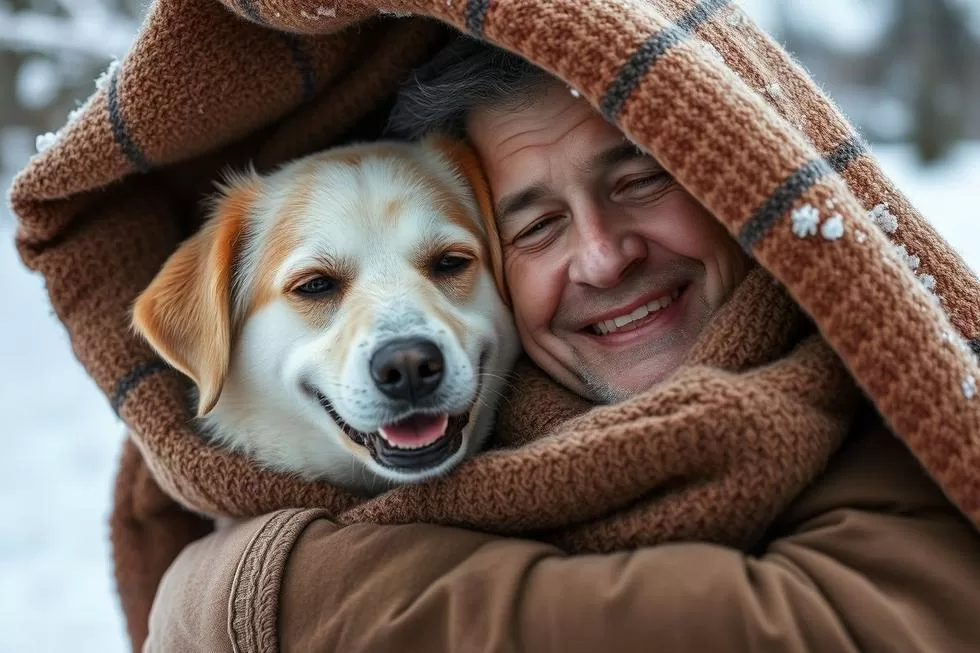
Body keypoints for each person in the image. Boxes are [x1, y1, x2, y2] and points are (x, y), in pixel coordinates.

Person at [136, 37, 980, 652]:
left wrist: (265, 591)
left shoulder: (893, 402)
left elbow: (836, 625)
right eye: (535, 224)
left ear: (743, 171)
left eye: (642, 177)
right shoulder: (506, 426)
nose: (604, 256)